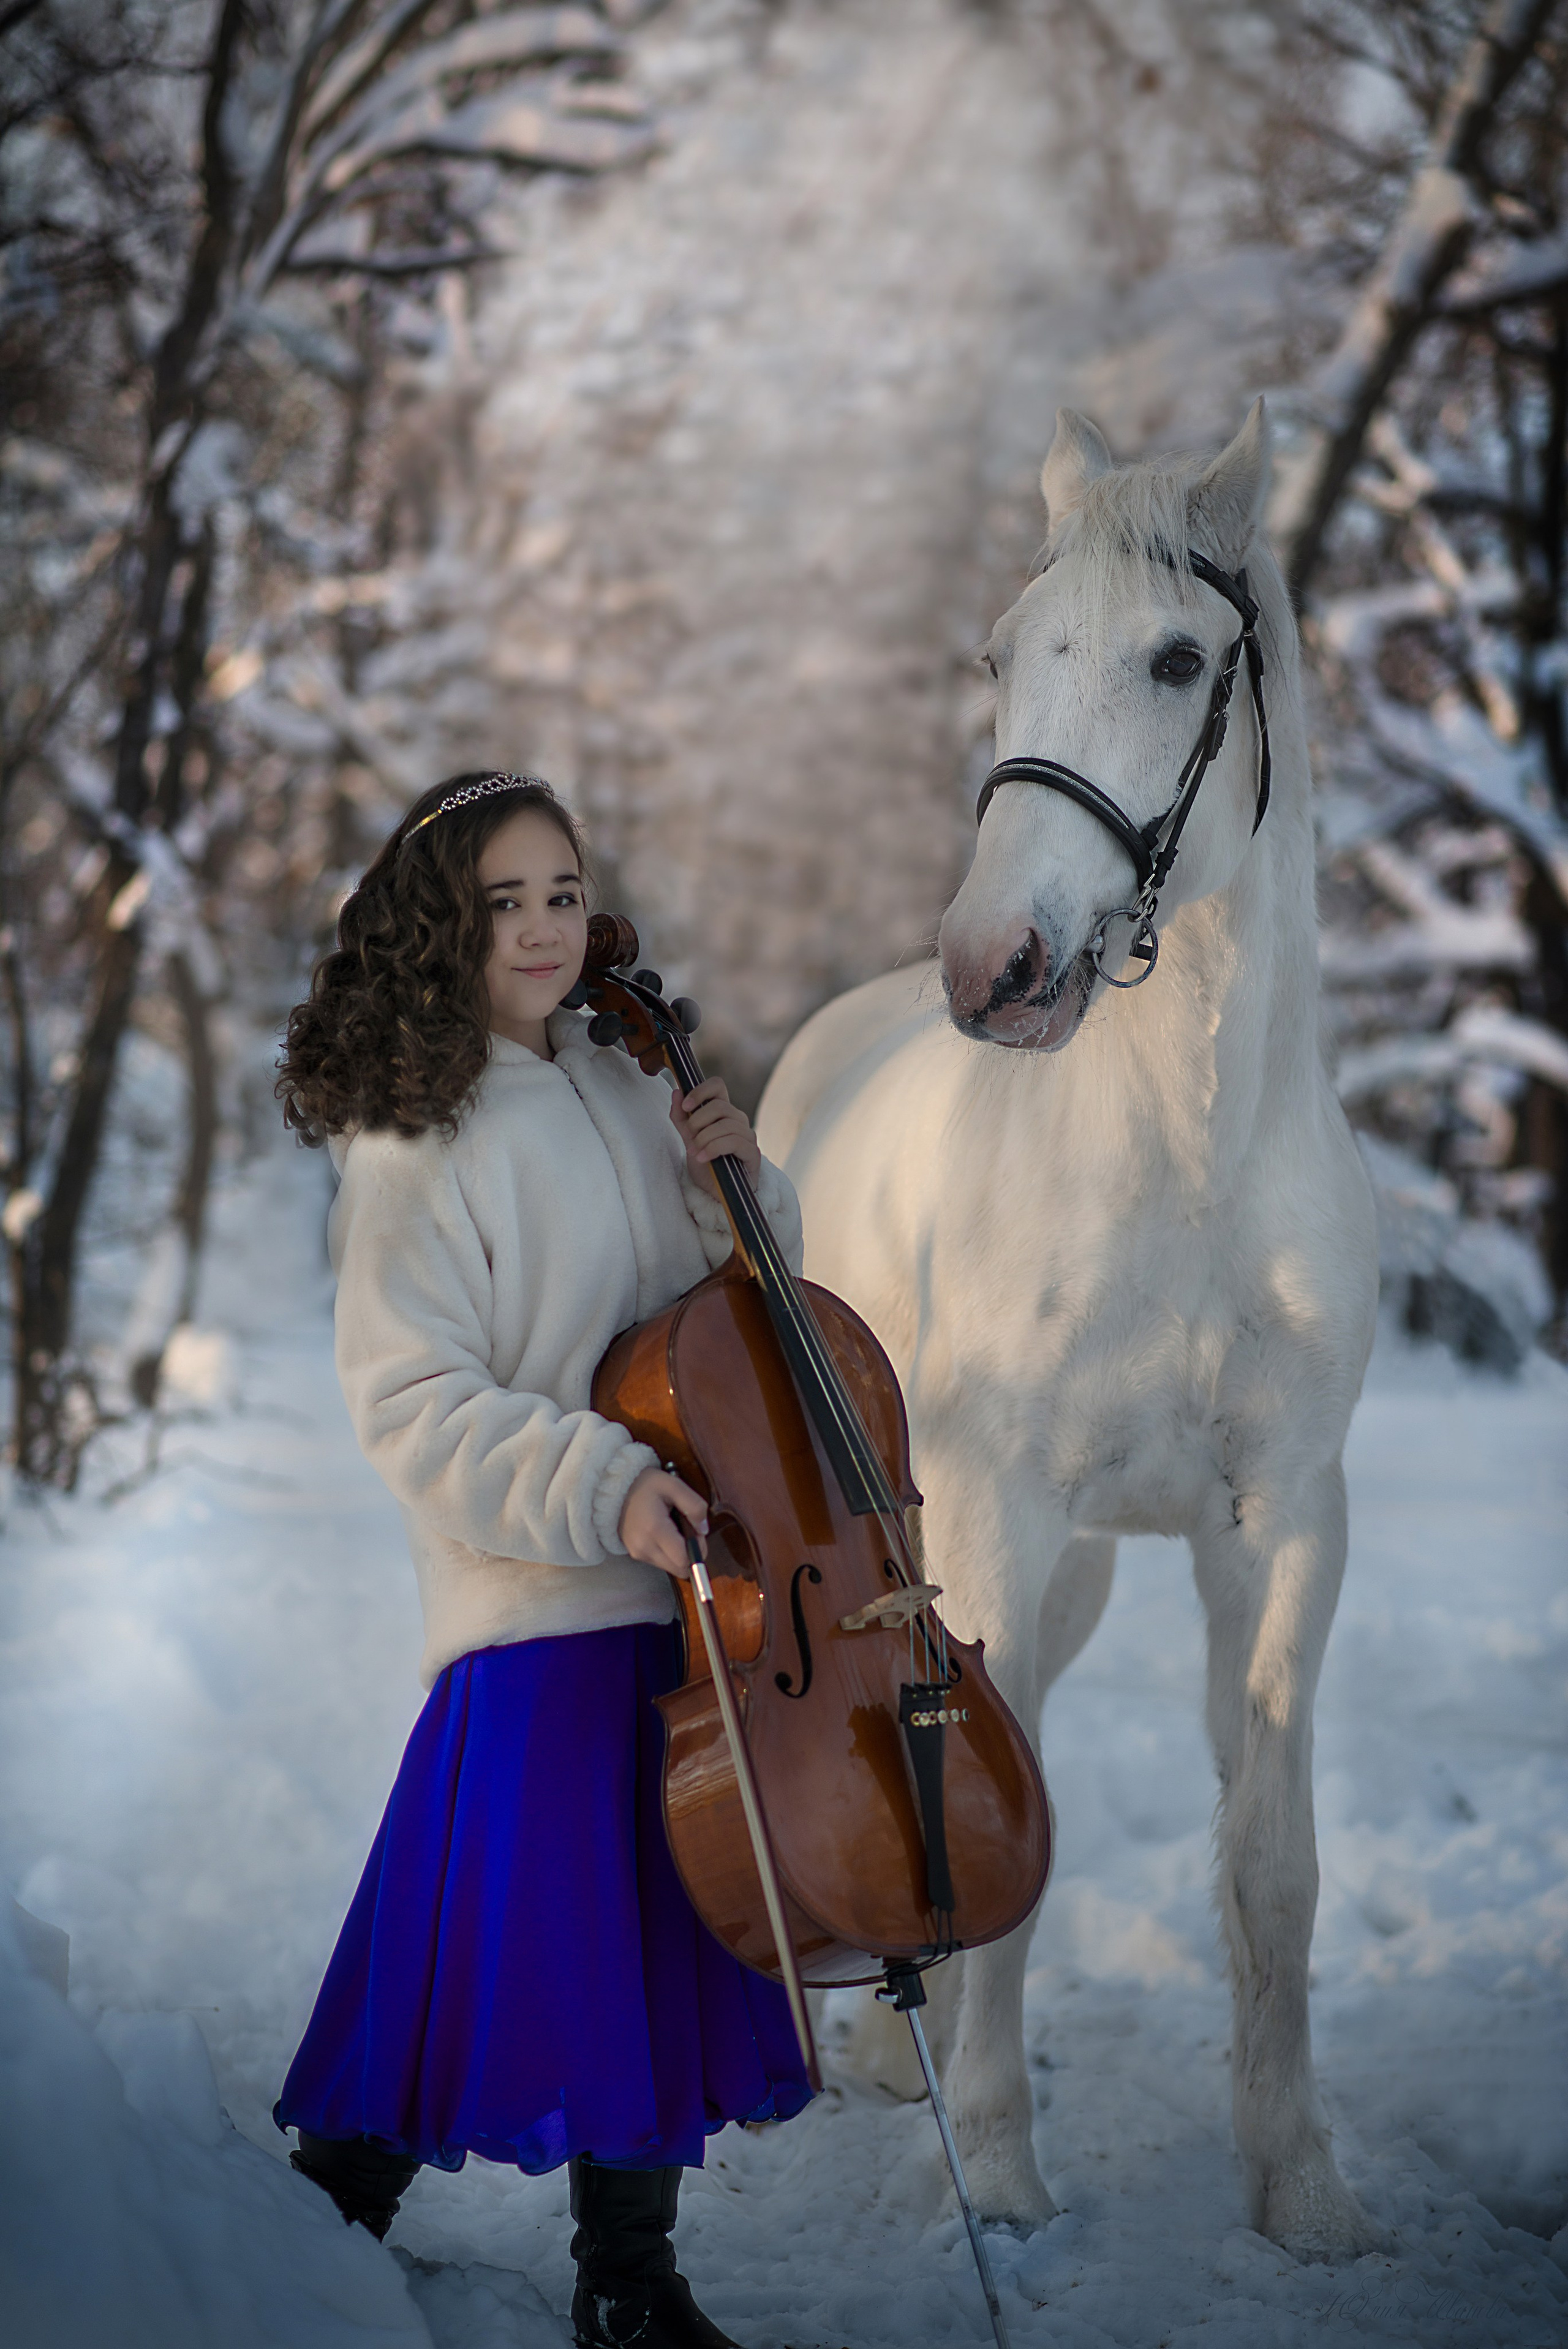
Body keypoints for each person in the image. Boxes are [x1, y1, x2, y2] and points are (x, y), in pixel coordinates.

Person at [273, 772, 814, 2349]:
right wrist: (601, 1488)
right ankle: (307, 2231)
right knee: (478, 1939)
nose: (543, 929)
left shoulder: (633, 1084)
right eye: (503, 900)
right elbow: (412, 1401)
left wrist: (739, 1199)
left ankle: (629, 2285)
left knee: (650, 1932)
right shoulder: (411, 1135)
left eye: (562, 893)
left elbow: (731, 1347)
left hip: (684, 1596)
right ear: (442, 921)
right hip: (540, 1595)